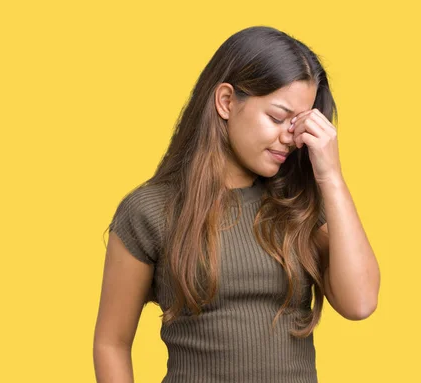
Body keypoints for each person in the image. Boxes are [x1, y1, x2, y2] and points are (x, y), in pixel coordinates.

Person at [93, 25, 380, 383]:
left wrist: (331, 177)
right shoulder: (150, 211)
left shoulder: (300, 203)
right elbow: (112, 343)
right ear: (226, 102)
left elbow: (360, 303)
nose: (290, 138)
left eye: (298, 123)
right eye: (277, 118)